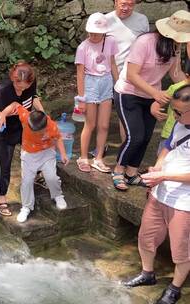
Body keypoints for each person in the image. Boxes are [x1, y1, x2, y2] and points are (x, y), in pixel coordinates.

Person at [123, 85, 190, 304]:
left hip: (184, 202)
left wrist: (165, 176)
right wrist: (158, 168)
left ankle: (175, 287)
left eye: (179, 112)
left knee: (181, 249)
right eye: (173, 111)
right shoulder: (180, 125)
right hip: (160, 192)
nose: (175, 116)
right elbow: (168, 146)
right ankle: (147, 273)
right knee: (147, 236)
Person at [112, 10, 188, 191]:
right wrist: (155, 93)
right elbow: (131, 75)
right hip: (128, 93)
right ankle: (118, 170)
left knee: (146, 136)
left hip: (151, 95)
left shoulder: (175, 47)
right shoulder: (145, 42)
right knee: (134, 136)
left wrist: (187, 85)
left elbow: (175, 73)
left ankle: (132, 173)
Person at [0, 62, 44, 216]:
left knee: (36, 150)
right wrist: (2, 114)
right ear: (12, 78)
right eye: (17, 84)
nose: (19, 89)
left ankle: (38, 176)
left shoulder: (31, 84)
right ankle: (1, 199)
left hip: (22, 125)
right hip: (3, 128)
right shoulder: (2, 88)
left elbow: (33, 97)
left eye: (23, 86)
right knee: (4, 162)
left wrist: (42, 113)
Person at [0, 103, 69, 223]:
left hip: (46, 153)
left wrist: (63, 154)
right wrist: (3, 114)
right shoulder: (26, 116)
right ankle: (26, 207)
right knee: (26, 181)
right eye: (32, 130)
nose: (35, 133)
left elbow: (58, 138)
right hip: (29, 154)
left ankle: (58, 195)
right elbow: (14, 104)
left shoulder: (52, 126)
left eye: (38, 132)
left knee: (51, 177)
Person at [75, 13, 119, 173]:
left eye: (97, 32)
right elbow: (80, 74)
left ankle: (98, 158)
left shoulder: (111, 42)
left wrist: (118, 83)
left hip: (106, 81)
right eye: (91, 32)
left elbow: (112, 63)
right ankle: (83, 157)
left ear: (104, 31)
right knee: (90, 124)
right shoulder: (83, 47)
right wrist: (81, 98)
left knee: (104, 125)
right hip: (90, 83)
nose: (93, 35)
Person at [106, 0, 149, 146]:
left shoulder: (142, 20)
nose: (126, 8)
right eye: (123, 4)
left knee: (126, 114)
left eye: (131, 4)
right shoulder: (106, 20)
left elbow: (146, 46)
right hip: (106, 73)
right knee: (102, 115)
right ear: (116, 1)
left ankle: (127, 149)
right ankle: (99, 148)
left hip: (131, 75)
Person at [151, 58, 190, 155]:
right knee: (164, 158)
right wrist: (155, 109)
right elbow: (157, 102)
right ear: (187, 76)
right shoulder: (176, 88)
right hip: (169, 133)